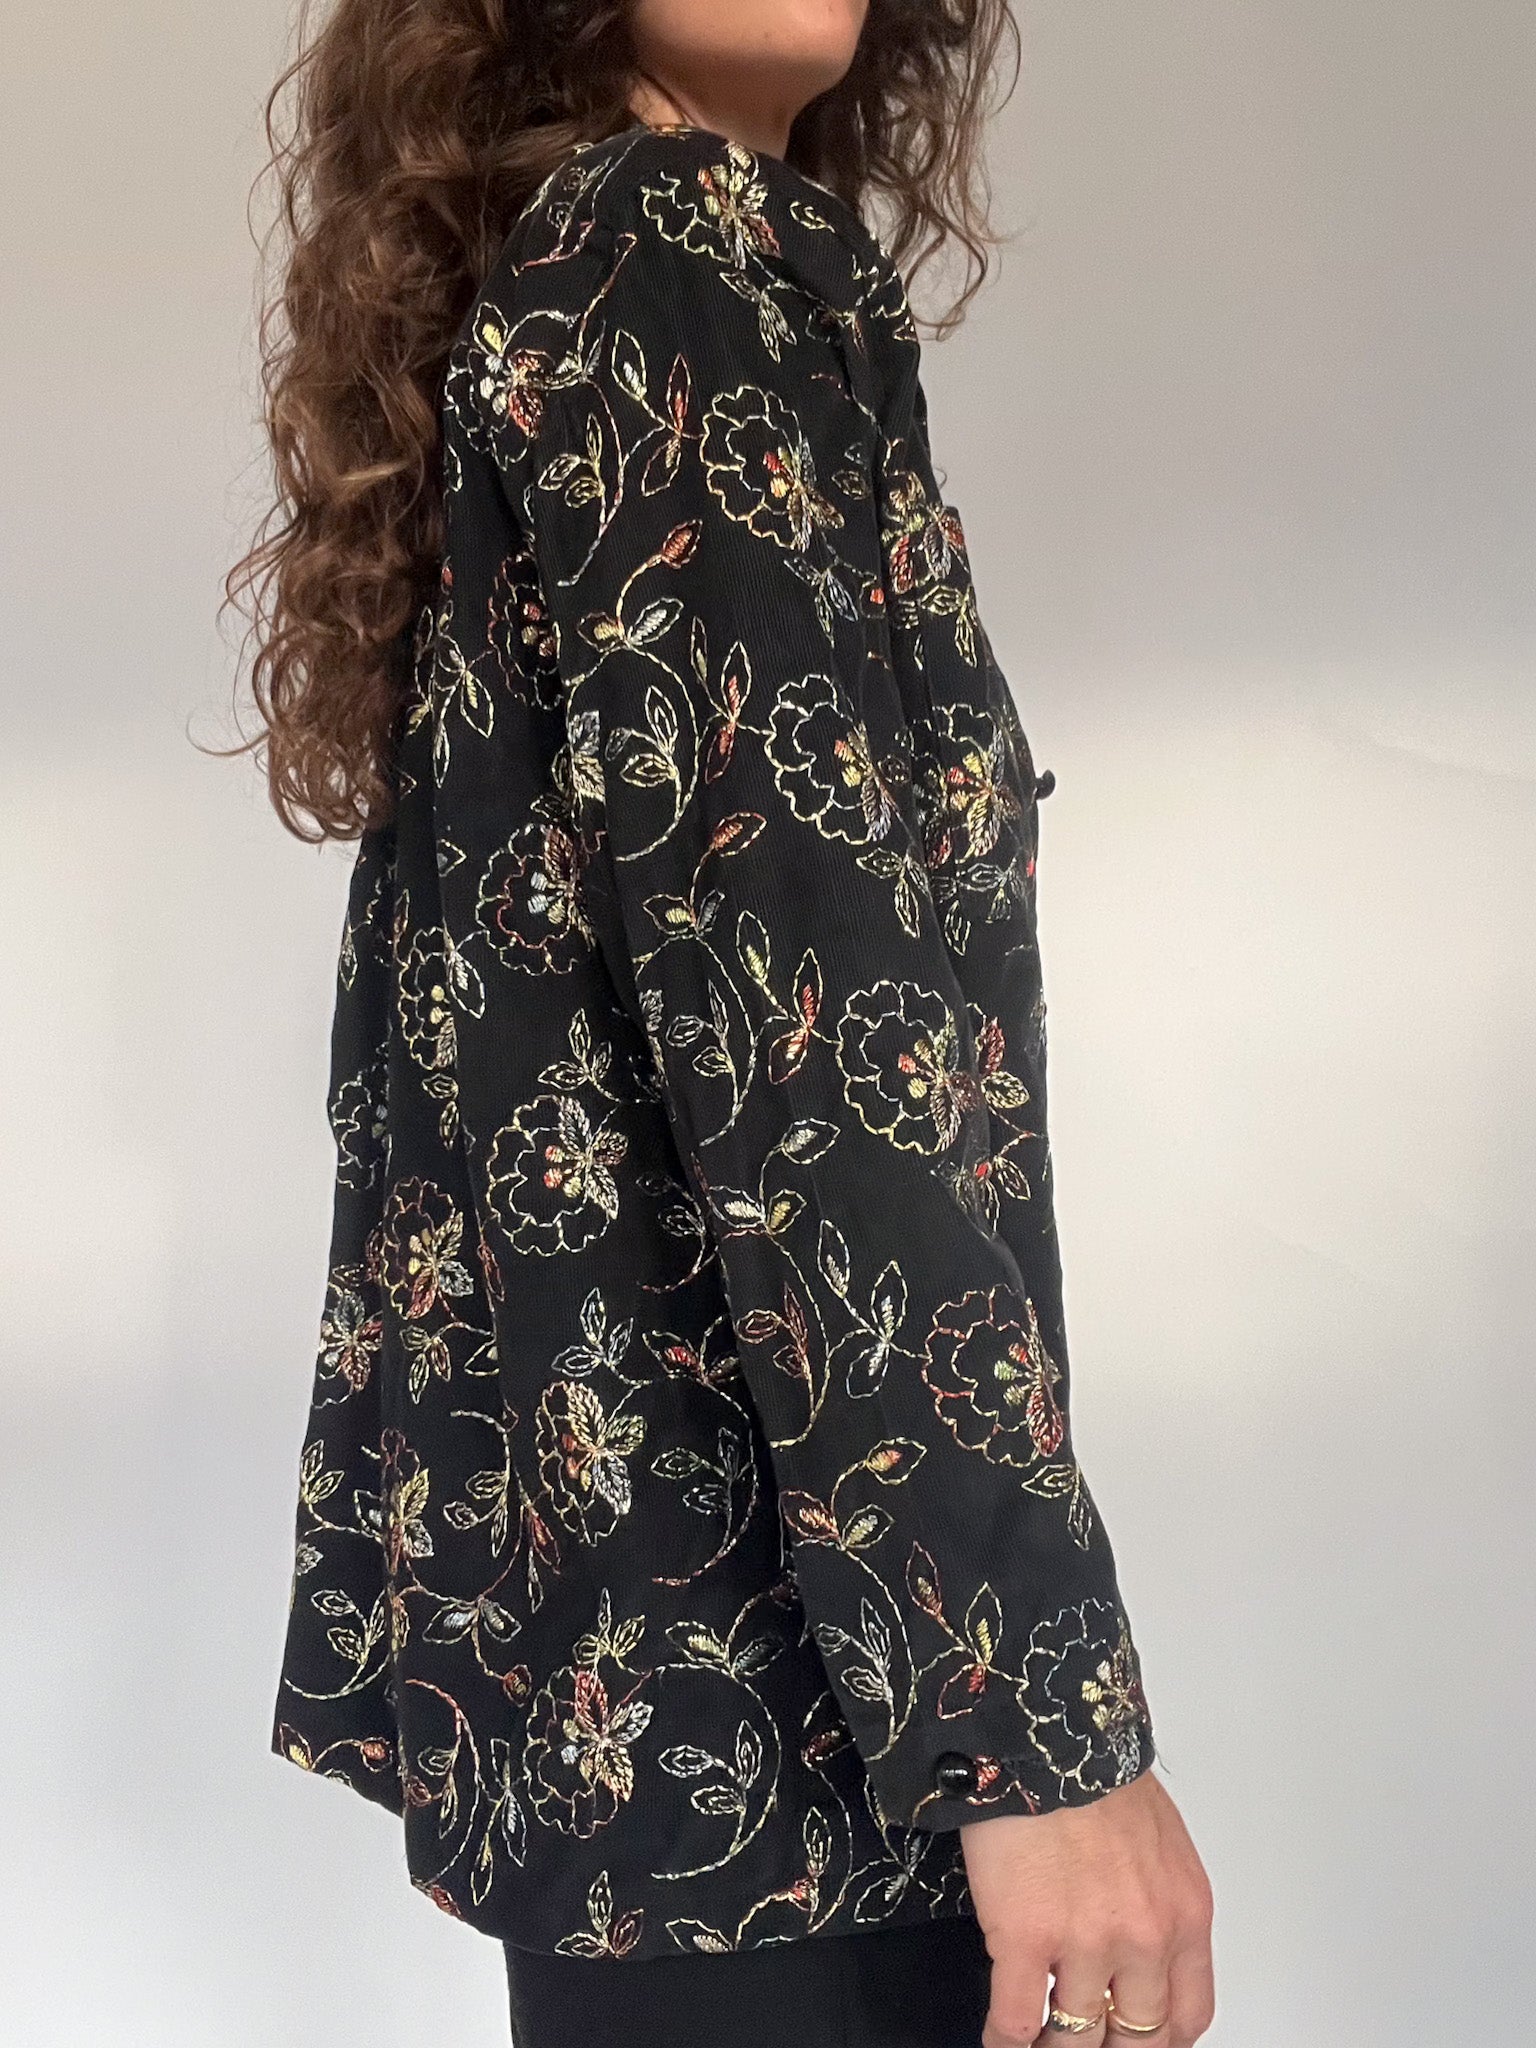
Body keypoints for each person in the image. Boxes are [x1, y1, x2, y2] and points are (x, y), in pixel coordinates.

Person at [228, 3, 1215, 2043]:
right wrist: (1036, 1729)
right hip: (803, 1731)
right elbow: (816, 1036)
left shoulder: (576, 280)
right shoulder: (664, 255)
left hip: (663, 1726)